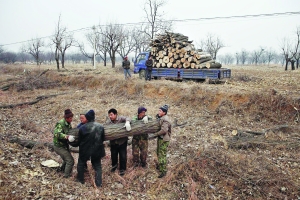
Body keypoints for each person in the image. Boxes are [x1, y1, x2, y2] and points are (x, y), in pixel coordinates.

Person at [75, 110, 106, 187]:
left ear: (87, 118)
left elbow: (79, 140)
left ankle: (80, 180)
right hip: (97, 149)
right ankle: (99, 184)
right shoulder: (101, 127)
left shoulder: (82, 128)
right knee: (97, 166)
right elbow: (103, 138)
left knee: (81, 164)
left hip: (85, 150)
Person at [106, 108, 131, 176]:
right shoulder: (108, 122)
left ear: (115, 114)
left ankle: (122, 169)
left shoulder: (120, 119)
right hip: (113, 142)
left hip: (122, 141)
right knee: (113, 156)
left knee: (123, 156)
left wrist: (127, 122)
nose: (110, 116)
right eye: (109, 115)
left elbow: (128, 118)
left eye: (111, 115)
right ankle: (114, 166)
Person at [149, 105, 172, 178]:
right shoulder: (161, 118)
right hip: (160, 139)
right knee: (158, 153)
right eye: (158, 110)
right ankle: (160, 167)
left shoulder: (165, 119)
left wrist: (155, 134)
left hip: (164, 140)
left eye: (160, 111)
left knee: (162, 155)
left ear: (164, 112)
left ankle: (163, 171)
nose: (158, 112)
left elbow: (164, 130)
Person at [53, 109, 76, 178]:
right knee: (70, 161)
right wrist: (66, 136)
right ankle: (66, 176)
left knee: (66, 159)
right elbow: (57, 134)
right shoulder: (60, 124)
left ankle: (61, 170)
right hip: (59, 146)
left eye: (72, 118)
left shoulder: (68, 124)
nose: (71, 120)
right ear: (66, 118)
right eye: (70, 118)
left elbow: (70, 131)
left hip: (64, 145)